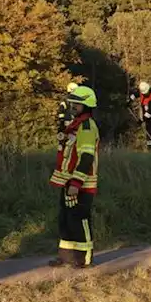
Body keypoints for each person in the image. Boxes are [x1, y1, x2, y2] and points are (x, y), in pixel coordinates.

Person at [49, 85, 100, 269]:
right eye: (73, 103)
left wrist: (76, 183)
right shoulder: (75, 125)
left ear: (86, 106)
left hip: (81, 185)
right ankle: (66, 257)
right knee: (66, 219)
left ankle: (84, 258)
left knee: (80, 219)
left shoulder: (86, 127)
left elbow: (86, 157)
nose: (73, 107)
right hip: (68, 181)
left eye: (77, 104)